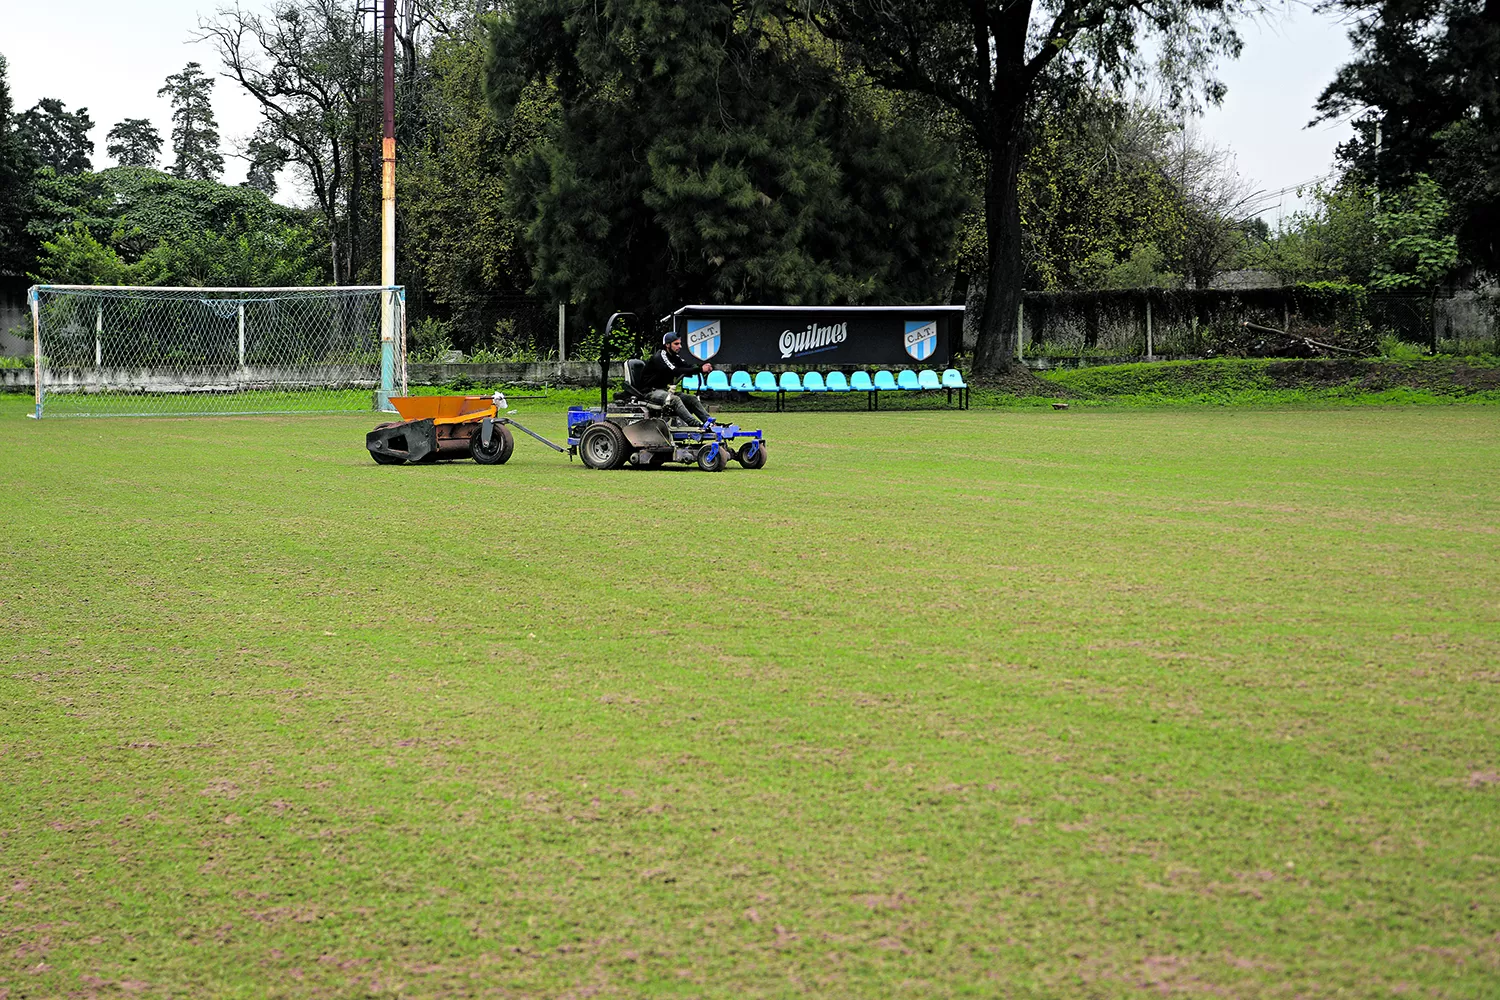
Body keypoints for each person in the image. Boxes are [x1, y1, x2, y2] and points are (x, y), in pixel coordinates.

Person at [638, 331, 713, 426]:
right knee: (674, 399)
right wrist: (699, 369)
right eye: (676, 344)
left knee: (692, 399)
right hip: (650, 392)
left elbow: (686, 366)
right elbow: (675, 371)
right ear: (668, 345)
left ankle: (710, 423)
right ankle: (696, 425)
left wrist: (701, 368)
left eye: (680, 343)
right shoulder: (660, 356)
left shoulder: (673, 356)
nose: (680, 346)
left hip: (663, 390)